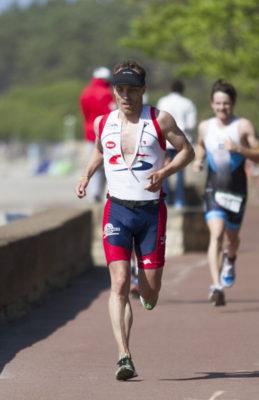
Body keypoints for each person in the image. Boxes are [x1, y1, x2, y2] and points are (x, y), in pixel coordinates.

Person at [75, 60, 194, 380]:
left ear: (143, 90)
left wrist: (165, 171)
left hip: (151, 212)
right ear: (114, 91)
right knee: (118, 283)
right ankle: (123, 356)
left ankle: (149, 293)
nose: (125, 96)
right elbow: (99, 151)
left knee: (149, 291)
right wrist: (87, 174)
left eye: (132, 90)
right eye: (120, 90)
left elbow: (188, 152)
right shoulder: (104, 122)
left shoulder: (160, 119)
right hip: (117, 211)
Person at [192, 79, 259, 306]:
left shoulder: (243, 126)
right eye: (217, 103)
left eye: (226, 103)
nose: (222, 107)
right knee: (216, 233)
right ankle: (216, 286)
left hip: (236, 191)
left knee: (231, 239)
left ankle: (230, 258)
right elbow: (201, 145)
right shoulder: (205, 126)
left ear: (232, 103)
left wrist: (239, 149)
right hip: (214, 188)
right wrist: (198, 159)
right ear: (212, 104)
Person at [157, 79, 197, 207]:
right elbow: (191, 124)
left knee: (165, 171)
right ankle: (180, 201)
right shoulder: (188, 103)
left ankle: (165, 200)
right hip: (182, 141)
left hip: (165, 141)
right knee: (179, 172)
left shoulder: (163, 101)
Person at [80, 66, 116, 202]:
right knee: (109, 163)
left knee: (93, 164)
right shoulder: (107, 93)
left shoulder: (85, 92)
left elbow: (84, 113)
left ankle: (94, 194)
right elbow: (112, 113)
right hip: (106, 132)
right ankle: (109, 193)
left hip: (89, 132)